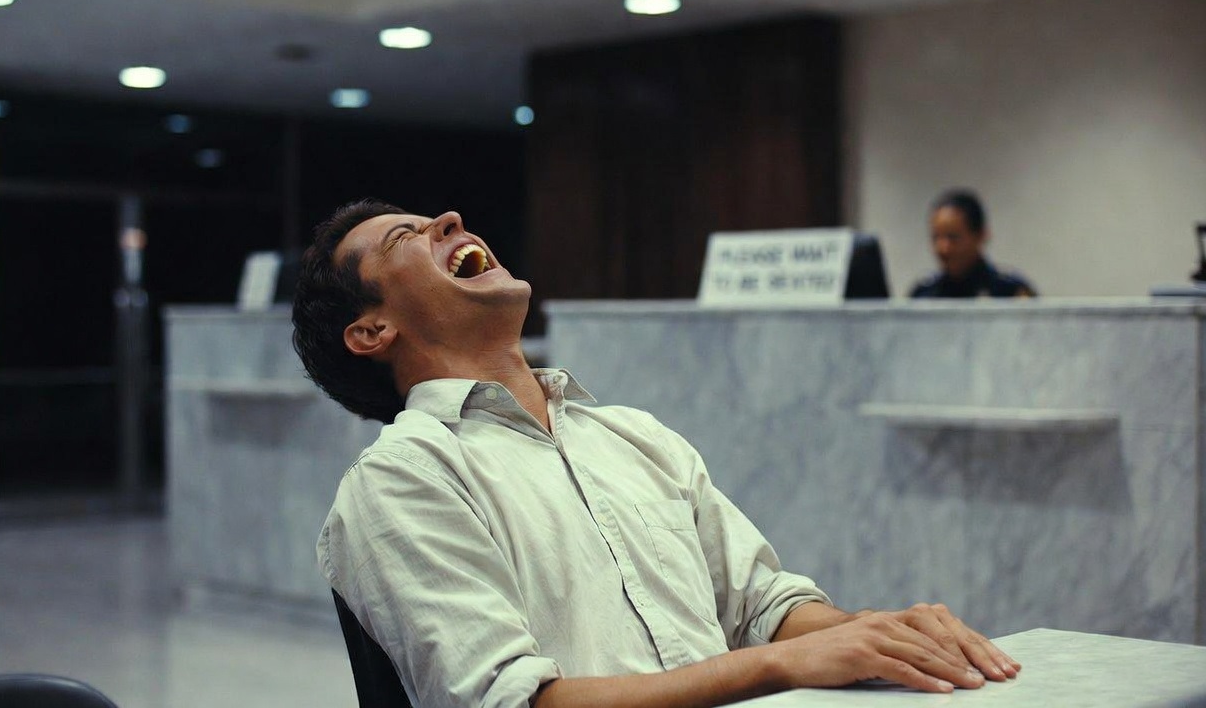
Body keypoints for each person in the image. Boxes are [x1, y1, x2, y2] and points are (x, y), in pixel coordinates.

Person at [291, 198, 1020, 708]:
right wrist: (776, 665)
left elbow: (764, 606)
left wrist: (876, 632)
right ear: (370, 331)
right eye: (406, 238)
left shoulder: (631, 434)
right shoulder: (402, 479)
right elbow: (515, 703)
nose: (449, 221)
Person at [910, 189, 1036, 298]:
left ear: (980, 236)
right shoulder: (924, 294)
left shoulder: (1009, 291)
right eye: (936, 238)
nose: (943, 248)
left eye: (953, 238)